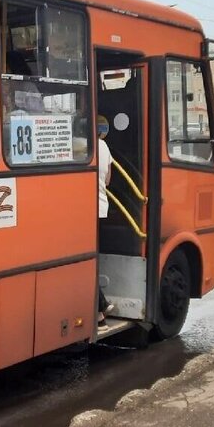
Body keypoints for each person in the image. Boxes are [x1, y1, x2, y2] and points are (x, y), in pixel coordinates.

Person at [96, 115, 116, 328]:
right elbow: (108, 180)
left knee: (87, 263)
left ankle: (101, 304)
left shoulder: (84, 145)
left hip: (86, 211)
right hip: (102, 207)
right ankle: (101, 313)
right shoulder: (104, 147)